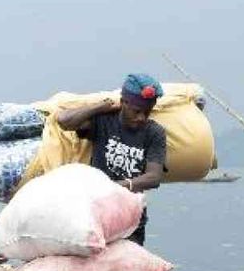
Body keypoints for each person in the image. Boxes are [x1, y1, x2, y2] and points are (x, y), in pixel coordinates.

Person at [54, 73, 168, 243]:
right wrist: (100, 107)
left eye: (147, 112)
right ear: (123, 103)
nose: (141, 118)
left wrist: (119, 186)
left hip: (131, 219)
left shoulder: (154, 132)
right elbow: (64, 121)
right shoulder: (103, 122)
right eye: (137, 112)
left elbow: (154, 177)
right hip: (96, 213)